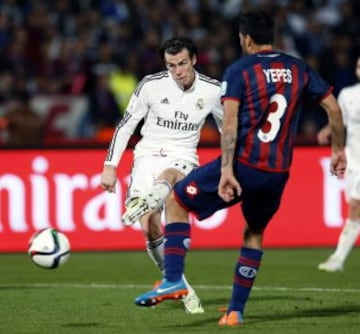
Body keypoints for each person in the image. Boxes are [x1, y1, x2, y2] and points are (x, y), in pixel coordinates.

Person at [131, 10, 346, 327]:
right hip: (277, 173)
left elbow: (228, 124)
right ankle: (235, 312)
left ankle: (173, 278)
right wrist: (338, 149)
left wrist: (228, 169)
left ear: (245, 39)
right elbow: (332, 107)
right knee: (254, 233)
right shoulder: (298, 68)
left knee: (176, 200)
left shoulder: (240, 70)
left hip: (245, 162)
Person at [100, 36, 223, 314]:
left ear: (193, 60)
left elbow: (228, 130)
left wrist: (232, 166)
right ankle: (178, 283)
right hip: (147, 154)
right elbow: (126, 125)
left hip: (183, 156)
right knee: (148, 226)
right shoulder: (150, 85)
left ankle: (153, 197)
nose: (177, 71)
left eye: (182, 64)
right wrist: (110, 165)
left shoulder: (213, 90)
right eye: (171, 65)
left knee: (168, 178)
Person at [318, 56, 360, 272]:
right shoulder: (348, 94)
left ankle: (338, 258)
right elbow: (339, 121)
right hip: (352, 160)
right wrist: (327, 131)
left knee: (355, 206)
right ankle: (338, 258)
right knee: (354, 207)